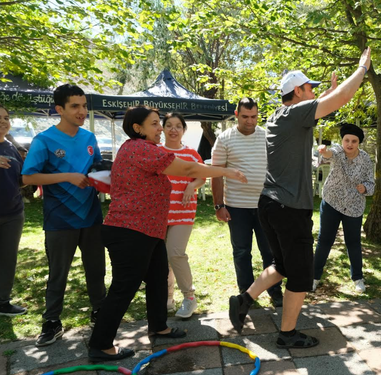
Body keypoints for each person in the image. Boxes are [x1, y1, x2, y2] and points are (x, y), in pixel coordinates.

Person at [228, 47, 372, 349]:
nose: (313, 93)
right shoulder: (294, 113)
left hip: (270, 204)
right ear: (297, 91)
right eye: (310, 89)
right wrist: (361, 69)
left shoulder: (282, 116)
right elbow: (342, 99)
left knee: (282, 265)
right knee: (301, 274)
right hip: (289, 208)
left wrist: (328, 96)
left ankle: (243, 301)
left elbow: (327, 104)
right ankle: (287, 334)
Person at [87, 105, 246, 362]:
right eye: (154, 124)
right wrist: (226, 171)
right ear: (137, 128)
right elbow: (190, 170)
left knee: (159, 277)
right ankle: (100, 345)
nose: (160, 128)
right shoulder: (141, 149)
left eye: (159, 123)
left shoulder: (139, 148)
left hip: (148, 231)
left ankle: (159, 325)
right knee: (123, 289)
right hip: (130, 231)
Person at [22, 84, 107, 347]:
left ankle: (100, 313)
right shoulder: (44, 140)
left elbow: (97, 169)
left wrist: (106, 177)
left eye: (84, 106)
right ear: (59, 109)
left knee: (97, 270)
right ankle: (51, 322)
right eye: (75, 106)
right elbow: (27, 176)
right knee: (58, 273)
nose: (82, 111)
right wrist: (67, 176)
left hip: (92, 217)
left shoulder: (89, 138)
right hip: (60, 221)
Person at [211, 98, 283, 307]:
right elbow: (216, 174)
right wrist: (219, 205)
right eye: (245, 117)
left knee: (270, 251)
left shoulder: (268, 136)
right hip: (236, 206)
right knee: (242, 251)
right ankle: (247, 292)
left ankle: (275, 291)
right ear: (236, 114)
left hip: (266, 205)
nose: (250, 121)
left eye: (253, 116)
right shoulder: (224, 138)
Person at [312, 123, 374, 294]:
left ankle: (358, 278)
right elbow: (330, 154)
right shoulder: (338, 151)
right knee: (324, 240)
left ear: (359, 143)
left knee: (353, 243)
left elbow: (371, 183)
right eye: (347, 140)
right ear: (342, 140)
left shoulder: (365, 159)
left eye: (354, 141)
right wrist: (324, 151)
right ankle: (314, 277)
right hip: (332, 201)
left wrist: (365, 188)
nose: (350, 144)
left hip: (354, 205)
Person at [158, 113, 205, 318]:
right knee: (162, 258)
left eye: (178, 126)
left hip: (183, 211)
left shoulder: (192, 155)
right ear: (163, 129)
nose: (173, 130)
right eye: (169, 125)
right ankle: (167, 297)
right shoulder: (156, 152)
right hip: (157, 213)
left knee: (175, 253)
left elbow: (203, 176)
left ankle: (189, 297)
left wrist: (191, 185)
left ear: (184, 130)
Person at [0, 103, 27, 316]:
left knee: (6, 260)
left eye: (6, 117)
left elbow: (20, 179)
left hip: (12, 213)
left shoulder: (11, 145)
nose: (3, 121)